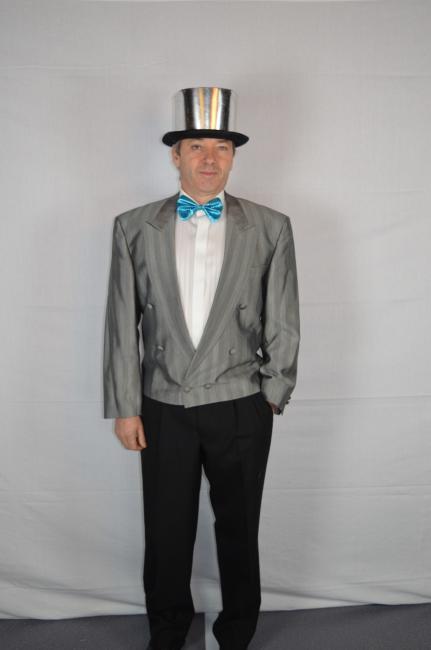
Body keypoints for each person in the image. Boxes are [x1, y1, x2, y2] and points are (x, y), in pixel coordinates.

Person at [103, 87, 300, 650]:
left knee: (239, 527)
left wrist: (272, 392)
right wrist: (125, 406)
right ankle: (166, 633)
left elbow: (284, 316)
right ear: (176, 154)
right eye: (196, 146)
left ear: (233, 156)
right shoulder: (134, 226)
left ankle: (236, 634)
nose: (209, 159)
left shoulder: (269, 226)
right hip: (163, 405)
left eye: (221, 147)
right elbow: (121, 321)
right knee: (166, 530)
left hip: (240, 402)